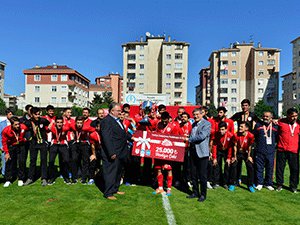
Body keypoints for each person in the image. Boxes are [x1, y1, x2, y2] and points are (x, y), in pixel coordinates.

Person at [100, 102, 132, 200]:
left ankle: (115, 189)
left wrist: (132, 138)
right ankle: (108, 193)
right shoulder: (107, 121)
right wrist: (111, 152)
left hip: (121, 152)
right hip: (113, 152)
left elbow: (122, 134)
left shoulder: (118, 121)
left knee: (118, 172)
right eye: (118, 110)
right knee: (111, 172)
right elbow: (106, 138)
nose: (120, 112)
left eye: (120, 110)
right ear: (112, 111)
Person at [153, 111, 183, 196]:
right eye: (163, 120)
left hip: (168, 152)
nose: (164, 122)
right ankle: (160, 187)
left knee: (169, 169)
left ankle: (169, 188)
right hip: (159, 151)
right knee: (158, 169)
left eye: (166, 120)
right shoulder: (158, 124)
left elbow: (176, 138)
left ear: (169, 119)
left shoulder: (173, 126)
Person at [186, 107, 211, 202]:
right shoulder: (193, 124)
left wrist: (189, 139)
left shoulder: (207, 124)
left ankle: (203, 195)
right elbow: (193, 136)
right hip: (192, 152)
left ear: (202, 114)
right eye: (194, 115)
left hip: (202, 153)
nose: (195, 116)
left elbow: (202, 136)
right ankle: (195, 192)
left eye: (197, 114)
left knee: (202, 175)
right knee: (193, 174)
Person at [23, 107, 50, 186]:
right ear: (31, 114)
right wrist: (28, 138)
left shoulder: (43, 120)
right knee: (32, 161)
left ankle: (44, 178)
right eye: (36, 114)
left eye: (39, 114)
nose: (38, 116)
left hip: (42, 143)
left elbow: (50, 125)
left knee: (43, 160)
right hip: (33, 143)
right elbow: (23, 129)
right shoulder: (28, 122)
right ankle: (30, 178)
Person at [276, 108, 300, 193]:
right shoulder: (281, 122)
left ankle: (293, 186)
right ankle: (279, 184)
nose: (295, 118)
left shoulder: (299, 124)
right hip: (281, 149)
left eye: (296, 116)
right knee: (280, 168)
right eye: (292, 116)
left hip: (294, 150)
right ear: (288, 116)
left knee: (294, 169)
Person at [253, 111, 278, 191]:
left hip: (270, 151)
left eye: (267, 116)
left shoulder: (275, 126)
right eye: (264, 116)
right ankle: (259, 183)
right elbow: (255, 136)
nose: (265, 118)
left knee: (269, 168)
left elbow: (277, 138)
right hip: (260, 150)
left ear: (271, 117)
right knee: (259, 168)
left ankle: (268, 183)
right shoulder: (258, 125)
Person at [228, 122, 255, 192]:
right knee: (233, 165)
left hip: (246, 153)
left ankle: (250, 185)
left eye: (241, 127)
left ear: (246, 128)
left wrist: (249, 156)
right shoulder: (236, 135)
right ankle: (232, 183)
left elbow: (250, 147)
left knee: (250, 166)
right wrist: (234, 156)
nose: (239, 128)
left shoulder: (250, 136)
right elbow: (235, 146)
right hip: (238, 153)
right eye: (239, 126)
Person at [2, 117, 27, 187]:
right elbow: (4, 142)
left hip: (21, 146)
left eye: (18, 124)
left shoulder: (23, 127)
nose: (18, 126)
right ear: (11, 124)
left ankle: (21, 179)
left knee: (21, 162)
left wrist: (25, 139)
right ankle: (8, 180)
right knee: (9, 162)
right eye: (16, 125)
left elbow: (28, 131)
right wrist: (6, 152)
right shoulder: (6, 130)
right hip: (11, 146)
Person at [69, 116, 94, 184]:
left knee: (85, 161)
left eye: (80, 123)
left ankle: (84, 178)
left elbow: (94, 129)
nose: (79, 124)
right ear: (75, 122)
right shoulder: (72, 126)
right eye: (78, 123)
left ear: (83, 123)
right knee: (74, 160)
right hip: (76, 144)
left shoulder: (87, 127)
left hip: (84, 144)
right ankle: (74, 178)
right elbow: (67, 127)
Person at [48, 116, 71, 185]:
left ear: (63, 123)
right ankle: (51, 178)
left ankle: (66, 177)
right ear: (55, 123)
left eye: (61, 122)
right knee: (51, 161)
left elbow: (70, 125)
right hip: (54, 144)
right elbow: (48, 128)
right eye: (57, 122)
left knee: (66, 160)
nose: (59, 124)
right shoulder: (52, 127)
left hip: (63, 144)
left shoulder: (65, 128)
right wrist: (52, 122)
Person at [212, 121, 234, 189]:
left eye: (223, 129)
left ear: (226, 129)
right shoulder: (216, 135)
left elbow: (230, 147)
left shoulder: (230, 135)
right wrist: (214, 157)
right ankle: (216, 182)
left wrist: (229, 157)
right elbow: (214, 146)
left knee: (227, 166)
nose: (221, 131)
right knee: (216, 165)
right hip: (219, 150)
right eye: (220, 129)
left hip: (227, 151)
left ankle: (225, 183)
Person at [0, 109, 13, 176]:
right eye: (10, 114)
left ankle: (12, 173)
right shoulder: (1, 124)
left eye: (12, 114)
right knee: (5, 160)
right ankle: (4, 173)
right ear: (6, 115)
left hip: (12, 145)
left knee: (12, 160)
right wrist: (0, 146)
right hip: (4, 145)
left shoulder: (14, 123)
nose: (11, 116)